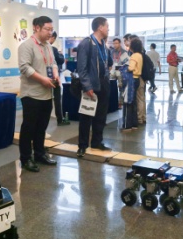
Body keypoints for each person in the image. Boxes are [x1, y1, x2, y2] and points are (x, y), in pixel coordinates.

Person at [18, 16, 59, 172]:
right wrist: (42, 79)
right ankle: (25, 158)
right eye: (47, 29)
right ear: (36, 27)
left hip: (46, 93)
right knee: (29, 128)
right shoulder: (26, 46)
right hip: (31, 94)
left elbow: (53, 63)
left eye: (51, 30)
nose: (50, 33)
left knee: (42, 127)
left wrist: (55, 75)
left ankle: (40, 153)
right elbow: (25, 68)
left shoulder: (48, 46)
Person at [77, 17, 113, 157]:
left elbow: (108, 63)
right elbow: (82, 68)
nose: (108, 29)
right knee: (86, 115)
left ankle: (97, 142)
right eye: (107, 26)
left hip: (104, 83)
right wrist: (87, 86)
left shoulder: (104, 45)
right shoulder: (87, 43)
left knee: (101, 116)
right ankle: (82, 145)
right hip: (91, 85)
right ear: (100, 27)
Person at [122, 37, 143, 131]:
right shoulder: (140, 55)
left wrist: (124, 67)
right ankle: (134, 124)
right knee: (133, 102)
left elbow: (131, 68)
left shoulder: (134, 56)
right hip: (137, 79)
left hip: (131, 80)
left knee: (128, 101)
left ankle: (127, 125)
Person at [50, 31, 69, 126]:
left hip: (46, 76)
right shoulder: (53, 49)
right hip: (54, 77)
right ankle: (59, 119)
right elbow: (61, 60)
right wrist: (61, 55)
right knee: (57, 98)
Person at [131, 34, 147, 125]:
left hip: (137, 77)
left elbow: (131, 68)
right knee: (142, 98)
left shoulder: (135, 55)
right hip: (143, 77)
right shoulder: (142, 54)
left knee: (138, 99)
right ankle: (143, 117)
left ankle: (139, 118)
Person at [110, 37, 129, 109]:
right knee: (112, 86)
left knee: (121, 87)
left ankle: (120, 103)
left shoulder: (124, 52)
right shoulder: (112, 52)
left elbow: (126, 63)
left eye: (116, 43)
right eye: (114, 43)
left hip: (121, 71)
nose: (115, 45)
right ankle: (113, 102)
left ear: (120, 43)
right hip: (113, 71)